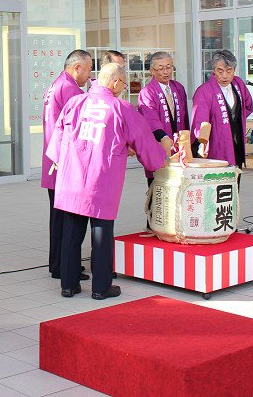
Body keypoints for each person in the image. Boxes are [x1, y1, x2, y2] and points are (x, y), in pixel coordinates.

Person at [47, 63, 167, 300]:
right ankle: (101, 287)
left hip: (72, 177)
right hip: (102, 180)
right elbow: (144, 142)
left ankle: (68, 285)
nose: (123, 89)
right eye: (124, 85)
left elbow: (57, 137)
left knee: (71, 232)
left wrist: (61, 160)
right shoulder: (121, 108)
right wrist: (159, 159)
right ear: (115, 82)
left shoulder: (75, 102)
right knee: (101, 233)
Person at [41, 49, 93, 282]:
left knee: (58, 219)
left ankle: (57, 264)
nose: (90, 76)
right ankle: (64, 266)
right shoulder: (70, 90)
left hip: (53, 161)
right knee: (67, 220)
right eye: (88, 69)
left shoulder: (56, 85)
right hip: (64, 164)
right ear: (77, 67)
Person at [191, 49, 253, 173]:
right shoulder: (204, 91)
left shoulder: (238, 84)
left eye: (229, 71)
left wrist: (234, 121)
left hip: (236, 143)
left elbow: (247, 106)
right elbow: (200, 122)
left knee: (236, 179)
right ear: (214, 70)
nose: (225, 76)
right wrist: (202, 143)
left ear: (234, 70)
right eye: (220, 71)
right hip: (217, 146)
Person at [137, 51, 189, 185]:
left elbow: (184, 118)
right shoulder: (147, 92)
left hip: (178, 146)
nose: (166, 72)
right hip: (159, 145)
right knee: (159, 188)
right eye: (161, 69)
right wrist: (164, 138)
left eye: (169, 67)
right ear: (152, 70)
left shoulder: (178, 88)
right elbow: (150, 120)